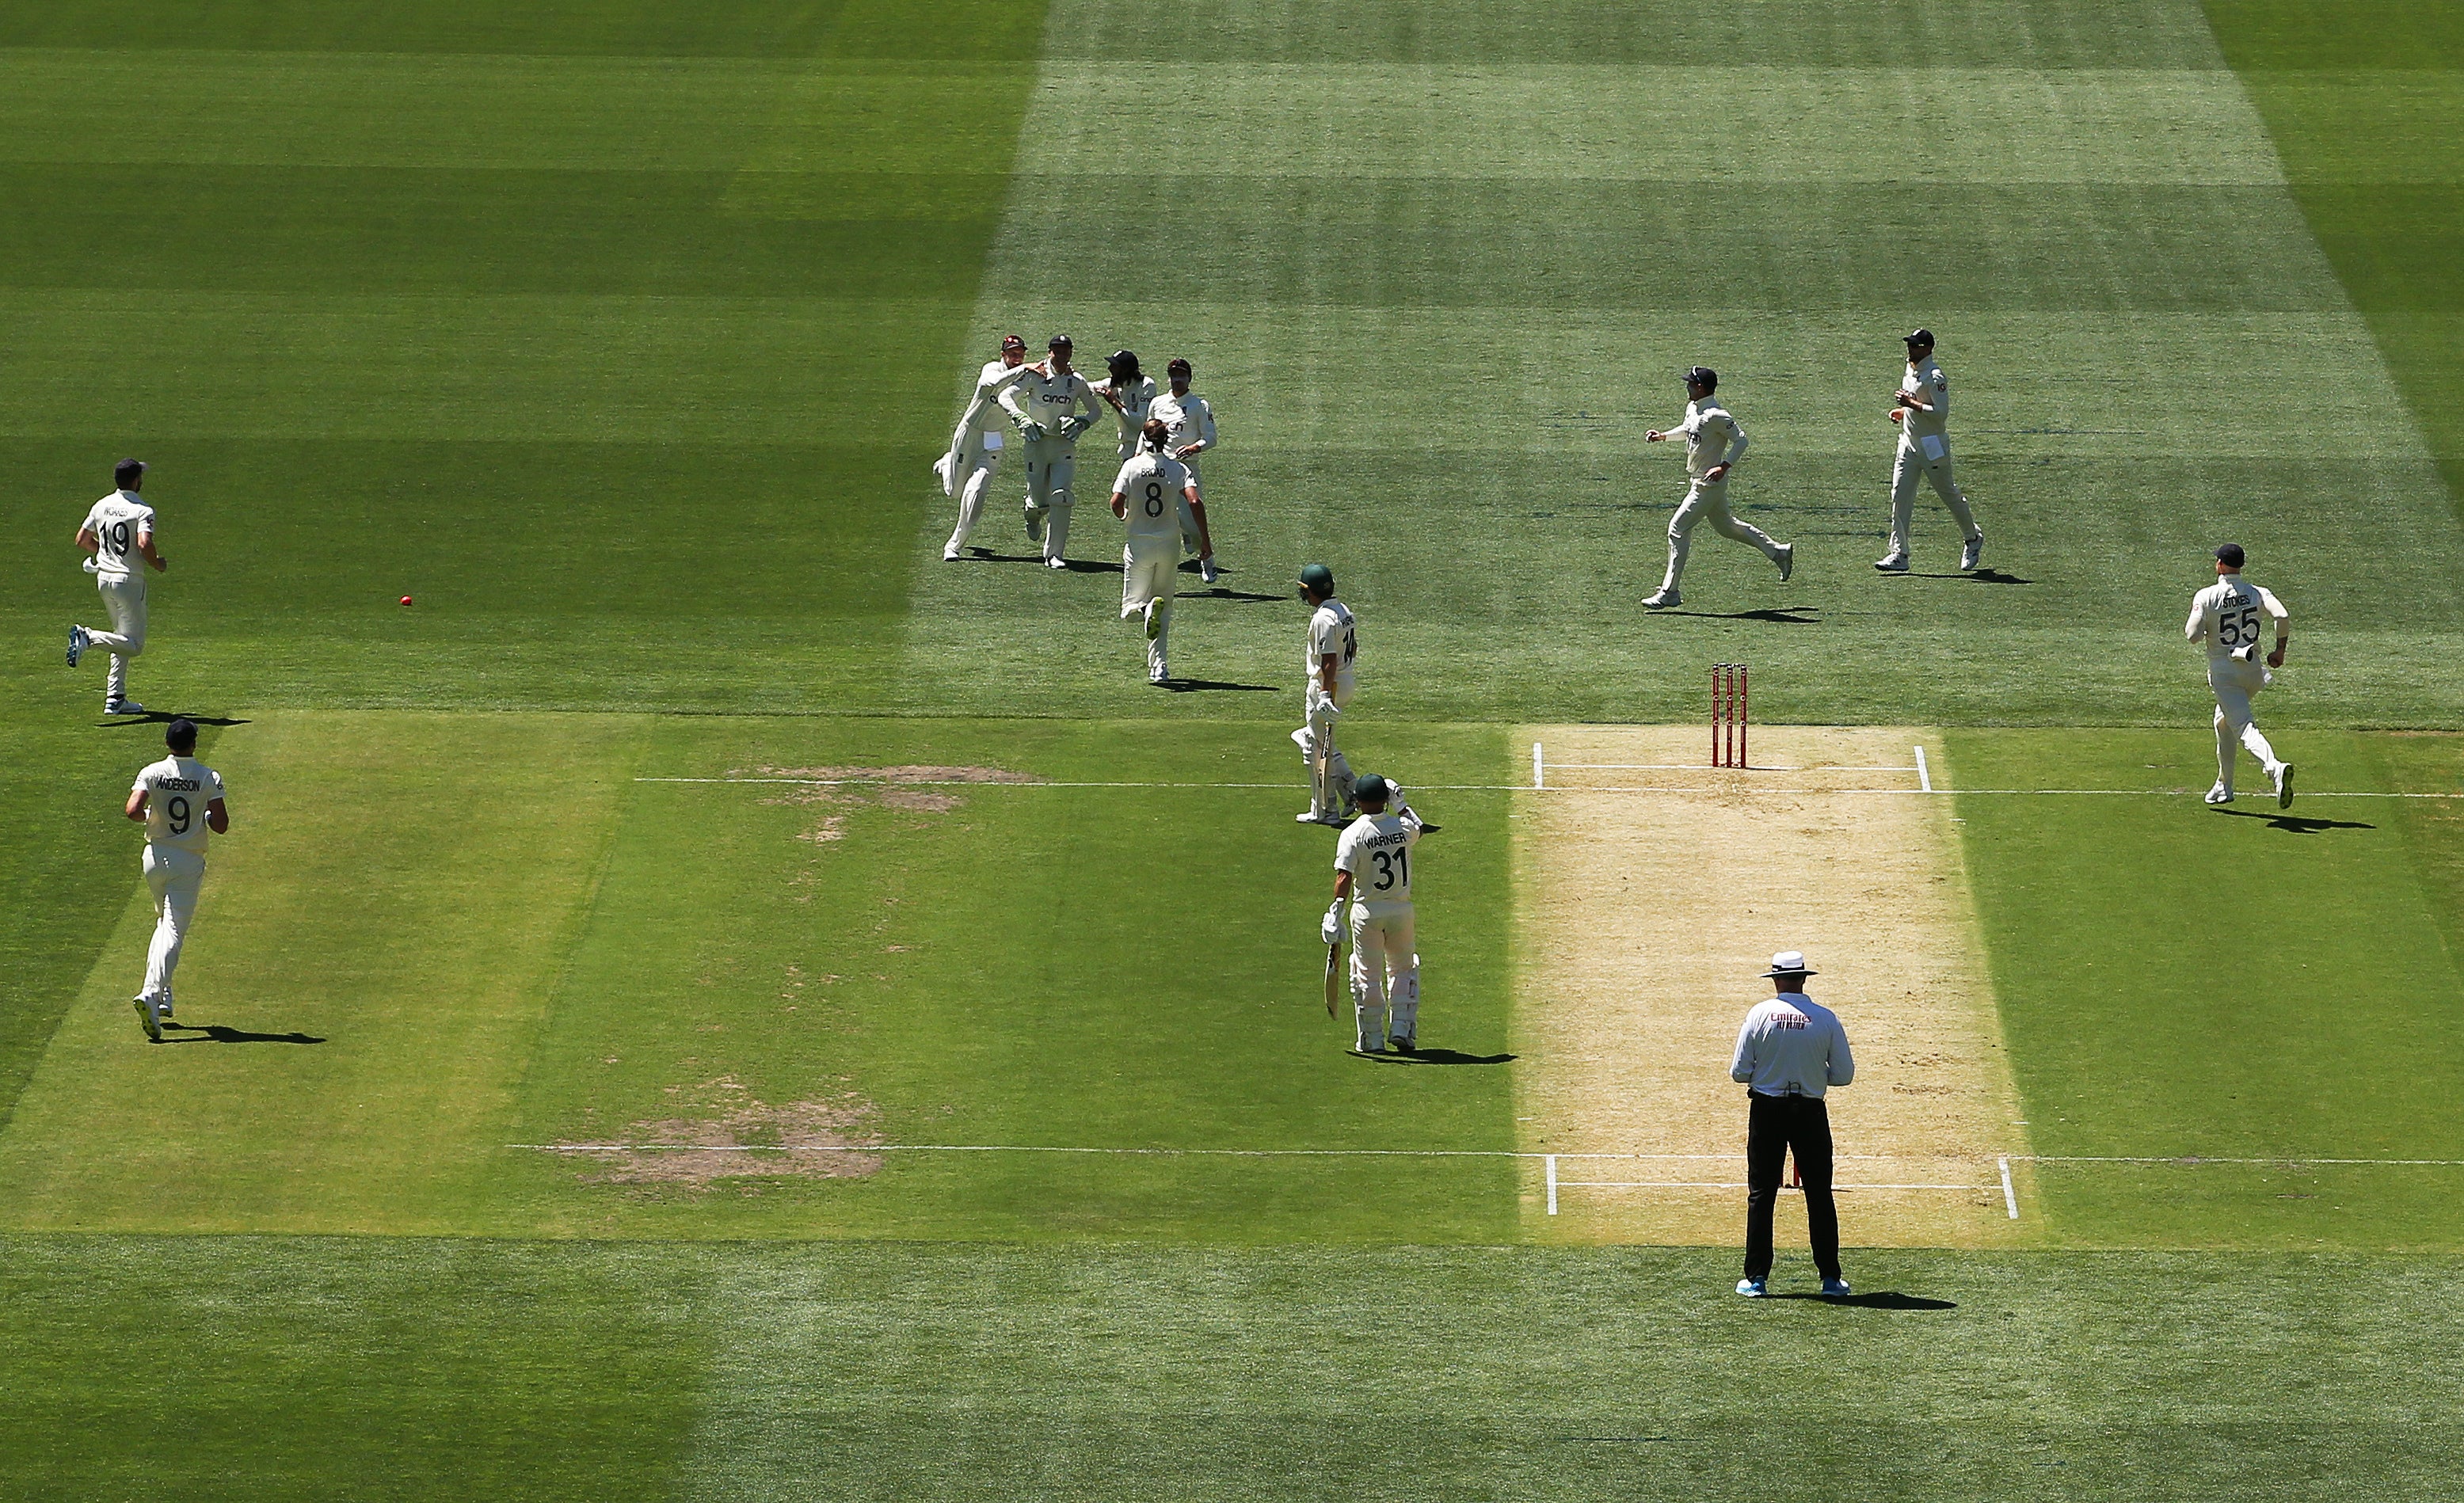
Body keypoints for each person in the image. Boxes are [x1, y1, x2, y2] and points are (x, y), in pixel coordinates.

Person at [1731, 951, 1854, 1298]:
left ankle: (1757, 1278)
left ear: (1775, 980)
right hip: (1811, 1112)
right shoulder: (1826, 1018)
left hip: (1768, 1111)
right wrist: (1813, 1075)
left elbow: (1740, 1072)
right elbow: (1843, 1075)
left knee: (1761, 1195)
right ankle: (1830, 1278)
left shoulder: (1758, 1015)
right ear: (1804, 979)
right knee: (1819, 1194)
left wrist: (1769, 1074)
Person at [1643, 367, 1792, 609]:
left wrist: (1724, 466)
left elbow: (1741, 440)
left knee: (1677, 529)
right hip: (1700, 480)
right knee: (1727, 527)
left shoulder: (1717, 415)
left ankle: (1670, 592)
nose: (1687, 387)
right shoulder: (1693, 408)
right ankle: (1778, 553)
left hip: (1707, 484)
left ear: (1701, 387)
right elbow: (1689, 430)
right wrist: (1663, 436)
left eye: (1691, 384)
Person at [124, 717, 230, 1041]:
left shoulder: (152, 771)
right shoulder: (208, 776)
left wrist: (152, 817)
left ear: (168, 743)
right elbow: (221, 825)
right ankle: (151, 994)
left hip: (154, 859)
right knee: (173, 929)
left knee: (163, 924)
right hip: (187, 860)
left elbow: (132, 811)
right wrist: (208, 816)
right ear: (193, 743)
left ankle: (164, 995)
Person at [2185, 543, 2294, 807]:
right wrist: (2279, 651)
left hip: (2225, 674)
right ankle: (2224, 785)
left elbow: (2192, 636)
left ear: (2220, 565)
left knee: (2243, 727)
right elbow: (2282, 615)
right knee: (2222, 721)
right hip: (2253, 670)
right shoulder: (2258, 592)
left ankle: (2274, 768)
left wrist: (2209, 628)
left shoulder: (2206, 595)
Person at [1327, 774, 1424, 1054]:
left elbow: (1344, 876)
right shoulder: (1402, 827)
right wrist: (1401, 803)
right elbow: (1416, 825)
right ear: (1385, 799)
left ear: (1357, 802)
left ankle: (1373, 1039)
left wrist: (1336, 911)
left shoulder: (1353, 834)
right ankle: (1402, 1029)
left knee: (1366, 974)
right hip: (1401, 910)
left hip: (1367, 911)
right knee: (1403, 968)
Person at [1876, 328, 1984, 573]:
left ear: (1927, 349)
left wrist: (1910, 404)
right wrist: (1904, 413)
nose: (1910, 348)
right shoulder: (1911, 368)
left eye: (1915, 345)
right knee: (1900, 495)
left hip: (1932, 445)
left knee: (1948, 494)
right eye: (1910, 344)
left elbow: (1940, 413)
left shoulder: (1935, 377)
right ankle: (1899, 553)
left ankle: (1972, 538)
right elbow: (1918, 406)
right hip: (1908, 443)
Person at [67, 459, 166, 715]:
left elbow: (82, 540)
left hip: (104, 580)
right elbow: (144, 544)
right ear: (135, 480)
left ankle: (116, 697)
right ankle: (88, 637)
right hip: (129, 581)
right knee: (134, 645)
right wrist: (158, 564)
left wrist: (106, 555)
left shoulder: (102, 505)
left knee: (121, 637)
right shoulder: (143, 510)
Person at [998, 334, 1106, 567]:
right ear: (1050, 352)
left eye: (1065, 351)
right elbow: (1005, 396)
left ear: (1070, 353)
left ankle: (1055, 553)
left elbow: (1095, 411)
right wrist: (1022, 418)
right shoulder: (1036, 375)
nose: (1061, 355)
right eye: (1057, 350)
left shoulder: (1076, 381)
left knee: (1062, 497)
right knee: (1040, 501)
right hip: (1037, 443)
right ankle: (1032, 512)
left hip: (1063, 445)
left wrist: (1082, 423)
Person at [1110, 419, 1203, 685]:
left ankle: (1143, 608)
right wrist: (1205, 542)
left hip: (1139, 543)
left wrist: (1127, 517)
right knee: (1165, 607)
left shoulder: (1131, 466)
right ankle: (1159, 668)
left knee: (1129, 610)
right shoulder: (1178, 469)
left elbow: (1116, 502)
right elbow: (1194, 500)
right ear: (1166, 439)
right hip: (1169, 544)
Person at [936, 334, 1030, 561]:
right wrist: (1026, 368)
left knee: (976, 491)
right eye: (1013, 353)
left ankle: (954, 545)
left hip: (993, 440)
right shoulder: (992, 369)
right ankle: (946, 463)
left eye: (1021, 353)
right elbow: (993, 384)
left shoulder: (1026, 376)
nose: (1017, 357)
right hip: (970, 434)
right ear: (1003, 354)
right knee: (954, 492)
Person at [1293, 563, 1358, 825]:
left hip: (1328, 686)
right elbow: (1351, 648)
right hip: (1345, 682)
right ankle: (1351, 790)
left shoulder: (1323, 618)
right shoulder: (1343, 611)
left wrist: (1324, 695)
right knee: (1320, 744)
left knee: (1315, 749)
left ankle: (1325, 810)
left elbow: (1328, 660)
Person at [1151, 358, 1222, 583]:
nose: (1177, 379)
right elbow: (1148, 434)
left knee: (1193, 517)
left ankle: (1207, 558)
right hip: (1160, 467)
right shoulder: (1157, 403)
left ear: (1189, 378)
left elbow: (1210, 438)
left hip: (1186, 468)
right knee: (1160, 517)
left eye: (1181, 375)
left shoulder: (1199, 405)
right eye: (1173, 375)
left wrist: (1194, 447)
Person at [1093, 349, 1157, 466]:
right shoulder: (1113, 384)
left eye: (1114, 366)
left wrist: (1114, 401)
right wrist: (1069, 375)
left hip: (1145, 451)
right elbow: (1085, 387)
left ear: (1125, 370)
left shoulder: (1146, 385)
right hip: (1127, 451)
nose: (1110, 368)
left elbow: (1140, 424)